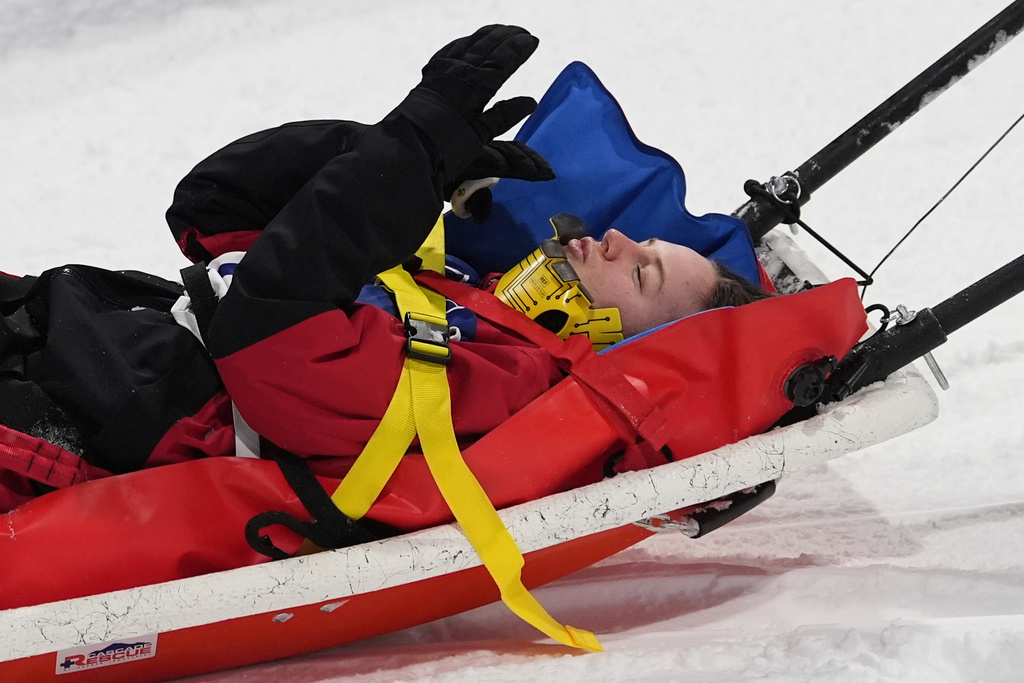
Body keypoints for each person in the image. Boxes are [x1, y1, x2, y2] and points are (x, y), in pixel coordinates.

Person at [0, 25, 769, 513]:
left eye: (643, 275)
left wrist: (408, 156)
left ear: (616, 347)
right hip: (73, 332)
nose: (618, 243)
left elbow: (269, 338)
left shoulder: (510, 387)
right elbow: (214, 206)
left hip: (84, 418)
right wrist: (397, 160)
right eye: (640, 243)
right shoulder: (463, 289)